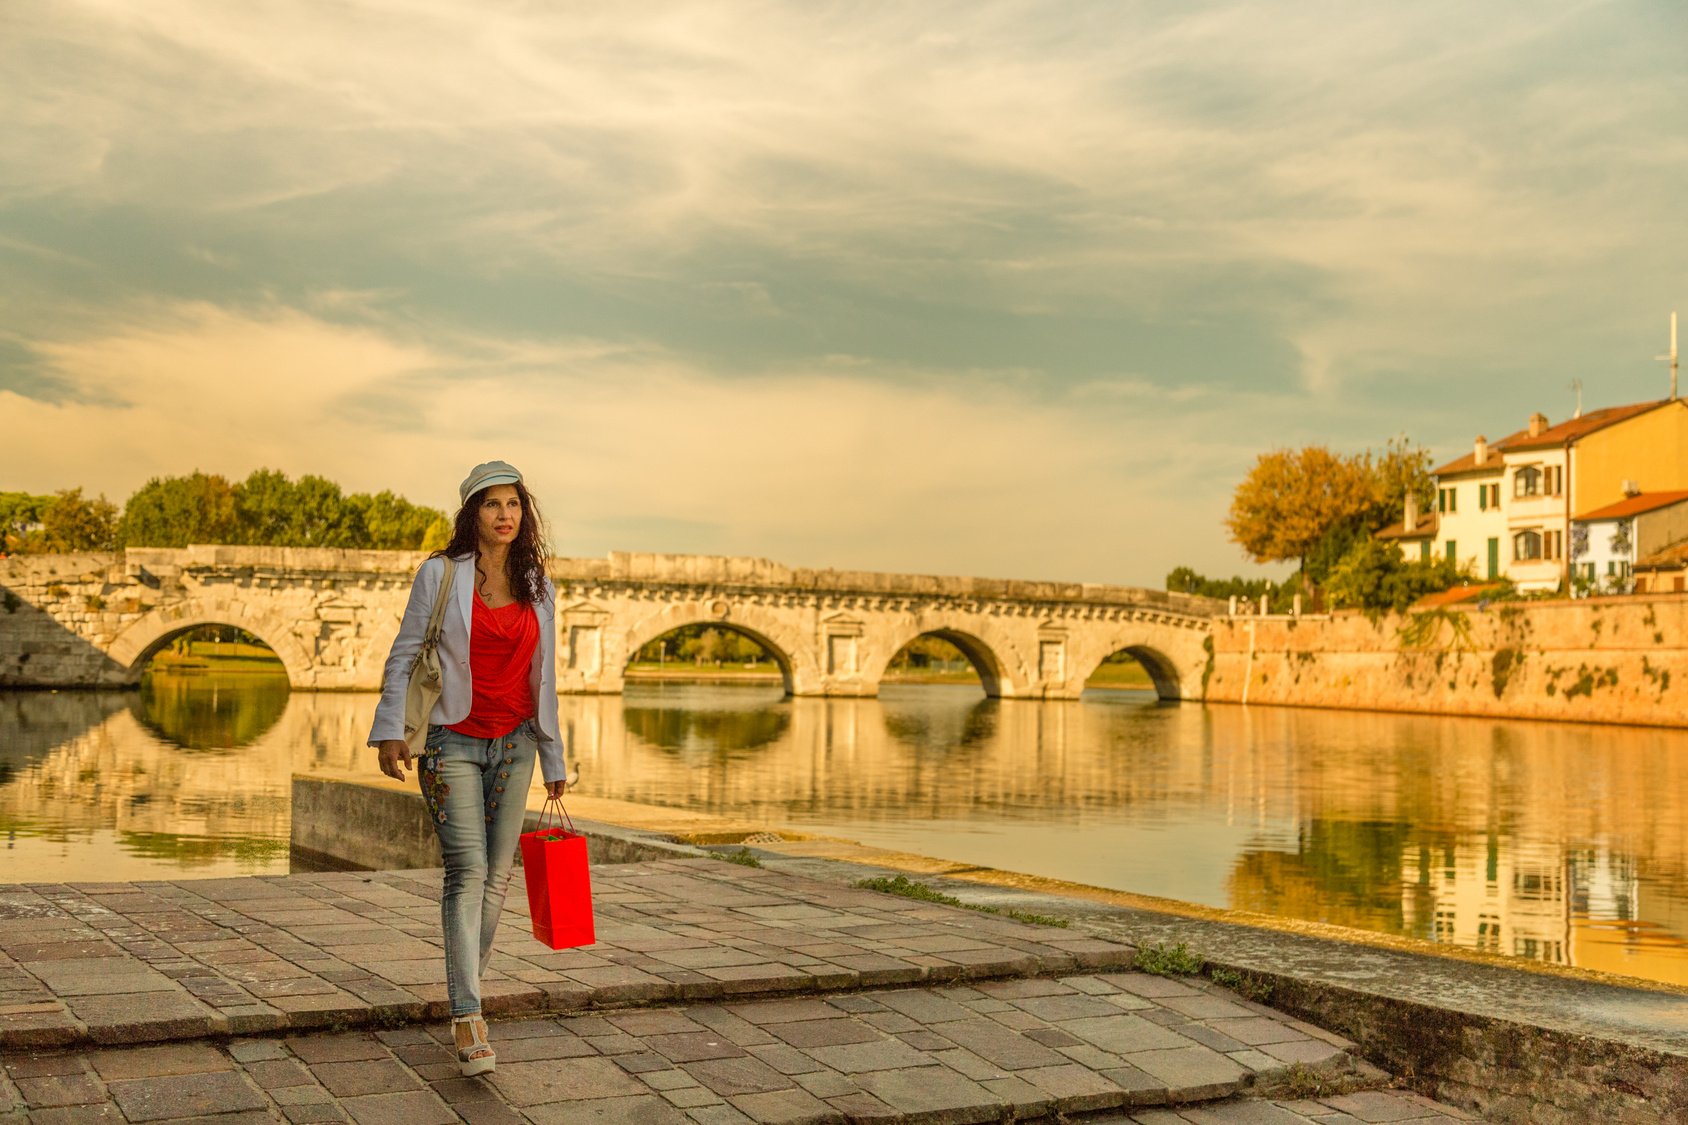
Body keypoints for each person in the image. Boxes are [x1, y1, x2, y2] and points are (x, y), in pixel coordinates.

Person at [368, 460, 569, 1078]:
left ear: (523, 514)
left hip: (517, 743)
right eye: (492, 505)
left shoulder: (539, 584)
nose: (504, 515)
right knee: (469, 868)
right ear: (472, 514)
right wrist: (390, 732)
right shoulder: (440, 573)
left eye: (513, 504)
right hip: (452, 737)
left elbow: (547, 676)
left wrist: (554, 754)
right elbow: (405, 653)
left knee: (498, 878)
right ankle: (467, 1015)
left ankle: (466, 993)